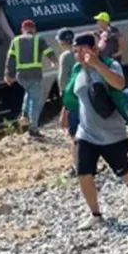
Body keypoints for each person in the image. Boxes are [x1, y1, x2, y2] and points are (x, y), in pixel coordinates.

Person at [61, 33, 128, 230]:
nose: (79, 55)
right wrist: (64, 112)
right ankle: (95, 215)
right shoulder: (77, 70)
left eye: (82, 50)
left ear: (94, 49)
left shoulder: (111, 65)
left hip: (112, 134)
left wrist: (97, 65)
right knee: (83, 173)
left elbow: (119, 84)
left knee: (124, 172)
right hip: (86, 133)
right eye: (75, 51)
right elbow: (73, 94)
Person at [4, 19, 57, 138]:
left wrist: (8, 74)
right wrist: (54, 61)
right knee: (35, 101)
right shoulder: (39, 39)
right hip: (35, 74)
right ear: (34, 29)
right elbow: (49, 52)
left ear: (22, 30)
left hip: (21, 76)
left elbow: (10, 58)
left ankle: (24, 114)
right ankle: (33, 128)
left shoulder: (15, 40)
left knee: (28, 93)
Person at [56, 28, 79, 176]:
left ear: (61, 42)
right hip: (86, 97)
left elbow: (63, 82)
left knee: (75, 134)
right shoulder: (81, 52)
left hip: (73, 99)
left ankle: (78, 167)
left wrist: (65, 107)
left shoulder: (66, 56)